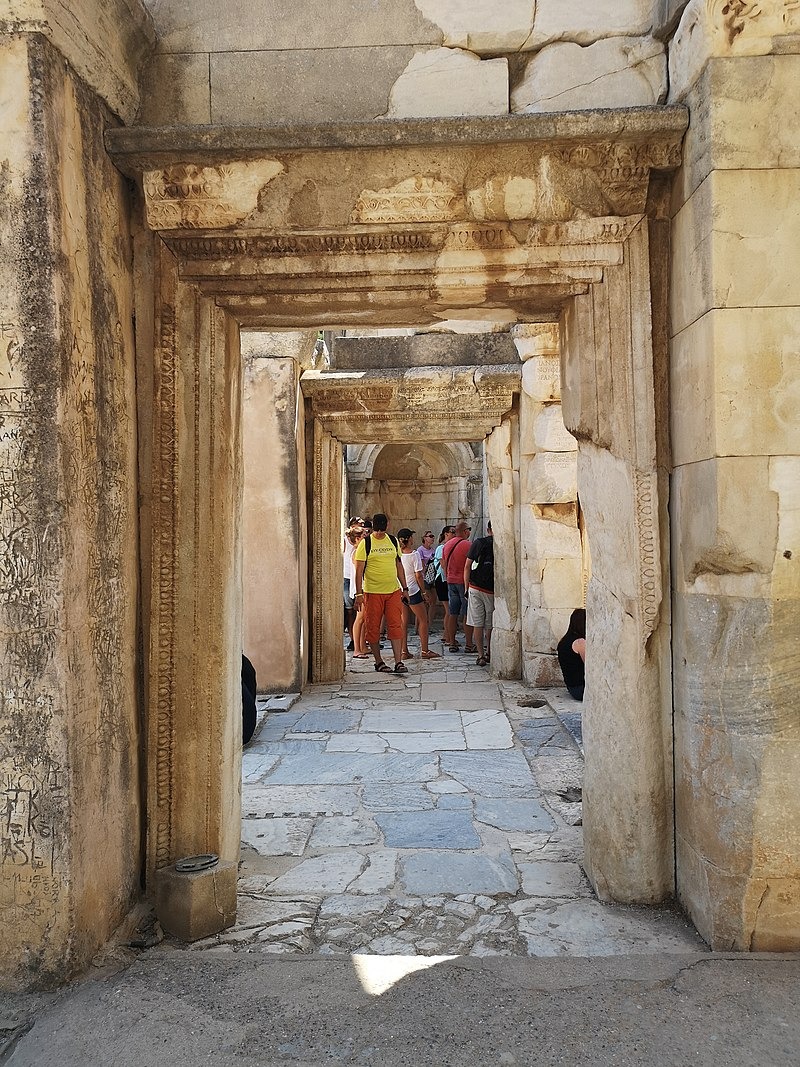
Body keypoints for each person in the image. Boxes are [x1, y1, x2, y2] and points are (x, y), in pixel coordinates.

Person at [353, 513, 411, 674]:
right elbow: (359, 571)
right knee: (373, 627)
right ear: (387, 525)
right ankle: (379, 662)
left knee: (395, 625)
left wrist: (404, 588)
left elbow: (398, 565)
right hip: (372, 592)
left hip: (393, 591)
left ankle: (398, 662)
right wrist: (359, 594)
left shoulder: (393, 541)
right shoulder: (366, 543)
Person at [397, 529, 440, 660]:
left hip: (400, 590)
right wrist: (424, 592)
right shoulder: (414, 554)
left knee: (403, 622)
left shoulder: (397, 554)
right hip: (413, 590)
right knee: (423, 620)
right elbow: (418, 575)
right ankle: (425, 650)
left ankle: (404, 651)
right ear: (409, 539)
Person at [465, 520, 494, 667]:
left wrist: (466, 588)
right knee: (489, 624)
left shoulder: (479, 542)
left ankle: (480, 655)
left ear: (488, 529)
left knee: (477, 623)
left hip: (475, 587)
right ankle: (489, 652)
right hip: (491, 590)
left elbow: (467, 566)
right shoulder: (499, 544)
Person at [443, 520, 475, 654]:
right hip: (463, 583)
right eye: (468, 530)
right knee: (467, 614)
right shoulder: (468, 545)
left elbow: (444, 563)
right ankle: (468, 644)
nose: (469, 532)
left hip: (451, 581)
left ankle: (452, 642)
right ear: (464, 531)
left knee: (453, 613)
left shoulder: (447, 545)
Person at [342, 517, 364, 652]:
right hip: (347, 578)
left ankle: (360, 643)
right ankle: (354, 642)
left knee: (358, 614)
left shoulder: (360, 547)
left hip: (357, 580)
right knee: (351, 612)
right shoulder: (345, 542)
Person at [557, 608, 586, 701]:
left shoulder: (563, 640)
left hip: (572, 688)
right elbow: (591, 667)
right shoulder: (580, 642)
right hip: (581, 689)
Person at [431, 525, 454, 632]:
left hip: (447, 579)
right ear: (446, 534)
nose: (454, 534)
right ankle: (447, 636)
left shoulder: (449, 546)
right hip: (443, 580)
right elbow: (443, 565)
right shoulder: (441, 548)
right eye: (452, 532)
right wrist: (449, 579)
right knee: (448, 611)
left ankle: (448, 635)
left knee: (450, 611)